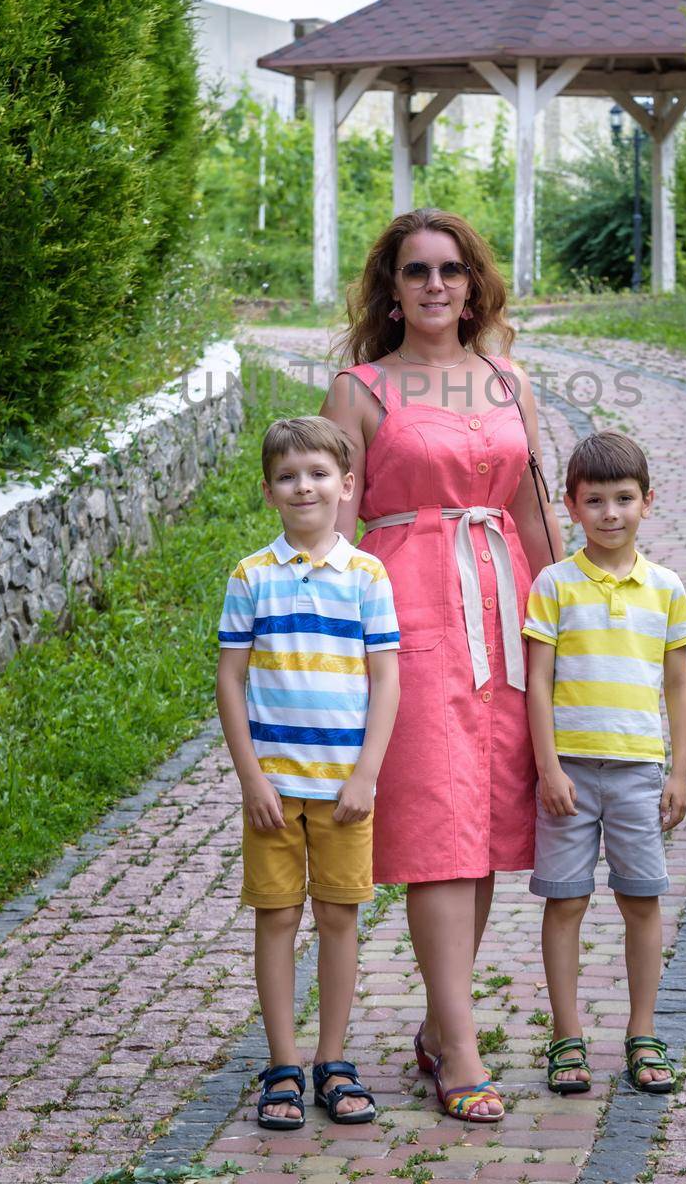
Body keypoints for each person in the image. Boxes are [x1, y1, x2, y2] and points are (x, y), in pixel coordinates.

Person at [320, 208, 564, 1123]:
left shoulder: (507, 382)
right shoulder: (359, 388)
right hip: (409, 615)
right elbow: (335, 532)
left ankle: (437, 1024)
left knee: (492, 822)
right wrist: (334, 641)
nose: (434, 286)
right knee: (436, 828)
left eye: (450, 270)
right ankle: (460, 1051)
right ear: (390, 287)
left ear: (473, 284)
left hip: (501, 609)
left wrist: (558, 621)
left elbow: (535, 514)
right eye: (415, 271)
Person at [216, 416, 401, 1130]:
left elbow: (386, 681)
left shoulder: (367, 576)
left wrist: (365, 776)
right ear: (268, 491)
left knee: (337, 916)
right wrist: (251, 779)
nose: (304, 487)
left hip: (343, 789)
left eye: (319, 474)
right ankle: (282, 1065)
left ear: (346, 486)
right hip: (273, 789)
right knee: (276, 917)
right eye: (288, 476)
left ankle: (333, 1061)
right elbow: (231, 682)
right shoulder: (250, 577)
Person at [524, 431, 686, 1097]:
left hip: (636, 771)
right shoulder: (554, 584)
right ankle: (566, 1036)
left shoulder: (666, 589)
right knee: (565, 901)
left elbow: (678, 684)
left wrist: (678, 771)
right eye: (594, 500)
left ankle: (643, 1032)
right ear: (571, 505)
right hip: (569, 771)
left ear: (647, 502)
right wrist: (547, 768)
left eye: (624, 499)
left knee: (641, 899)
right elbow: (538, 682)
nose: (610, 513)